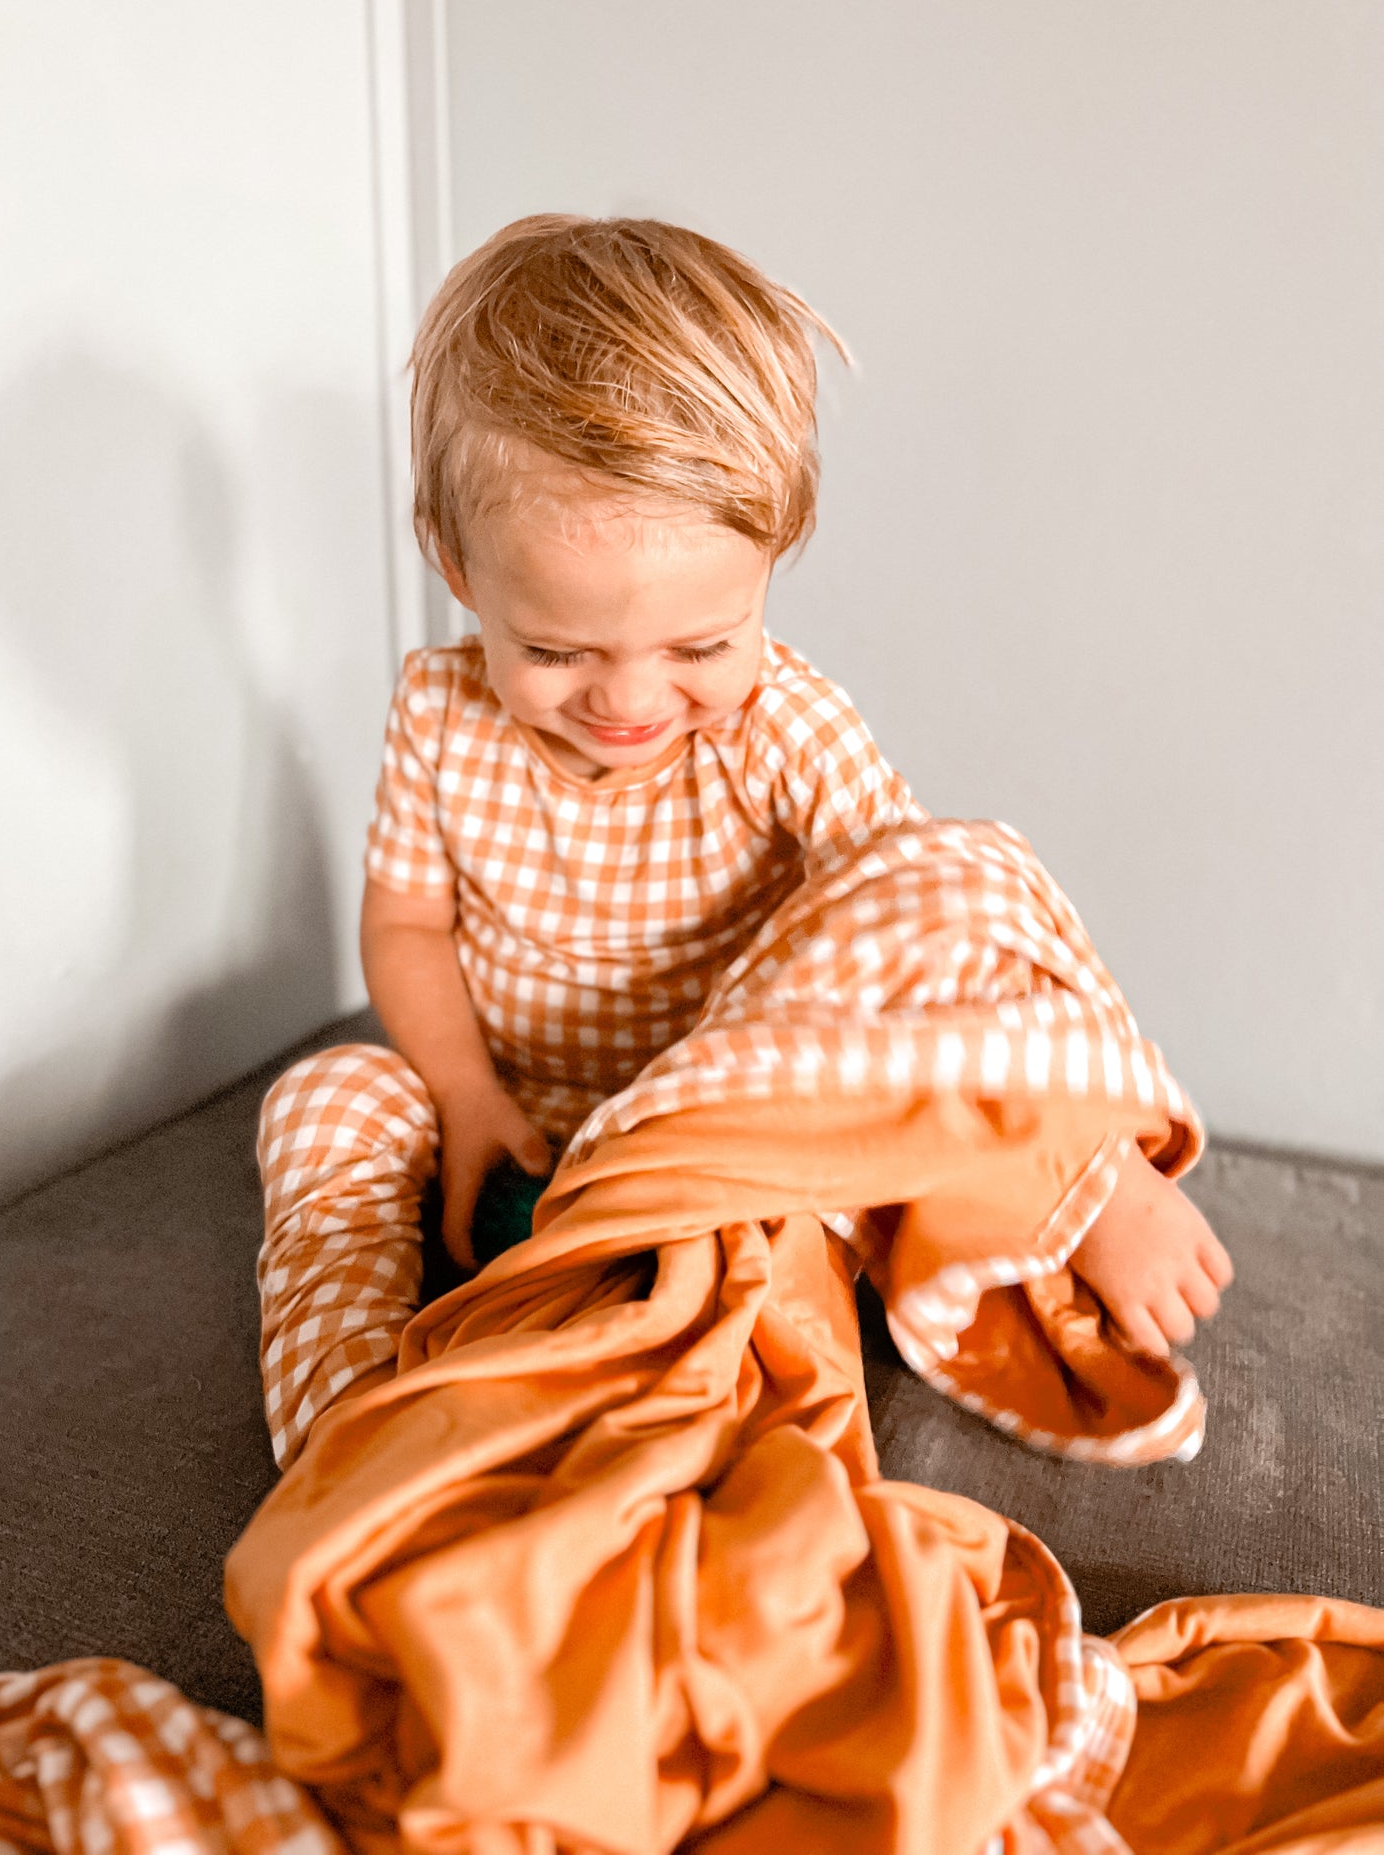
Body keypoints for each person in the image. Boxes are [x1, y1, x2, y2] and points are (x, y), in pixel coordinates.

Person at [256, 214, 1230, 1466]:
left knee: (954, 874)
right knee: (325, 1098)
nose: (628, 702)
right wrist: (462, 1094)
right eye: (554, 652)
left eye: (700, 647)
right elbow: (404, 923)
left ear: (773, 559)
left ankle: (698, 1412)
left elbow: (940, 940)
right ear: (456, 564)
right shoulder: (440, 714)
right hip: (520, 1123)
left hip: (726, 1135)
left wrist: (1097, 1175)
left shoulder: (785, 728)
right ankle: (361, 1443)